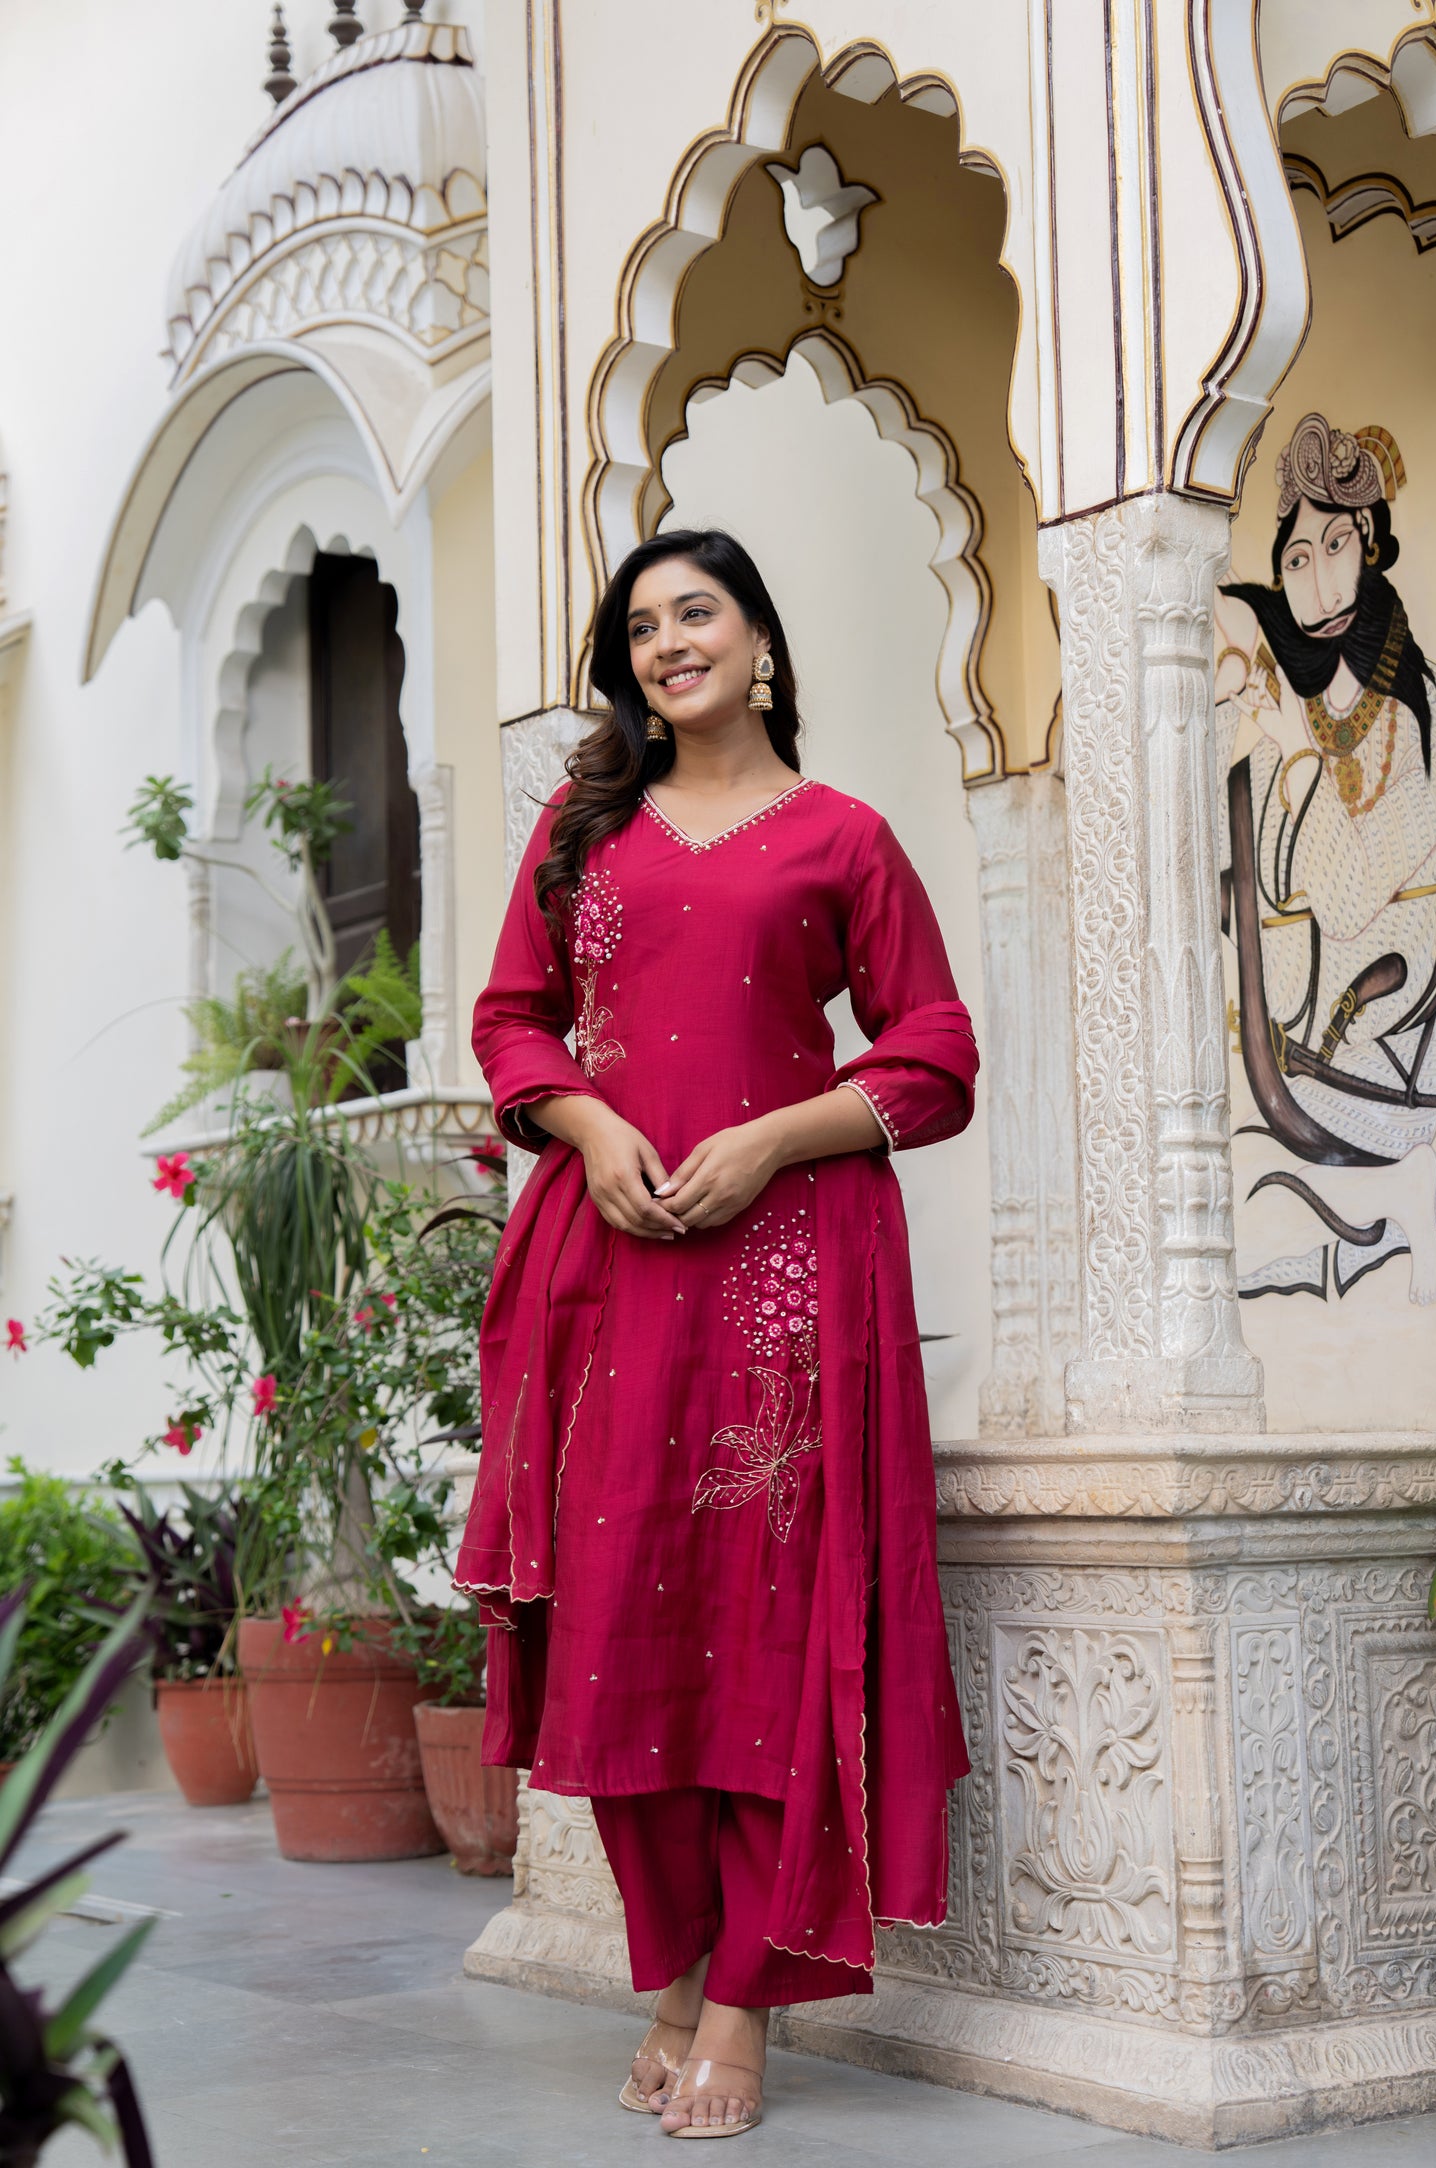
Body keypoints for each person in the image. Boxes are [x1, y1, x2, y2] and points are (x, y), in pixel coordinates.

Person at [455, 529, 976, 2137]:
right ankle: (671, 1967)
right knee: (626, 1641)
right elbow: (510, 1019)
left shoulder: (844, 840)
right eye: (642, 627)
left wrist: (774, 1137)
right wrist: (592, 1132)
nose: (670, 642)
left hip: (784, 1285)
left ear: (758, 637)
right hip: (605, 1283)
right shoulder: (582, 831)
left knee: (767, 1632)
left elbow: (937, 1054)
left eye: (698, 612)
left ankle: (742, 2000)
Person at [1216, 414, 1436, 1304]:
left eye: (1335, 545)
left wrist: (1295, 754)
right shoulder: (1278, 732)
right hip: (1297, 1046)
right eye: (1296, 560)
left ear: (1371, 549)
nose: (1316, 580)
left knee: (1250, 1181)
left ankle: (1393, 1212)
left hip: (1386, 1051)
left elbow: (1352, 904)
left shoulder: (1403, 728)